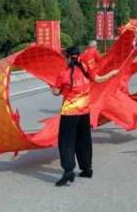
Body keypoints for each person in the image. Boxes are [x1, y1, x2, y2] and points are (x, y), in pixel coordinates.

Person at [51, 46, 119, 186]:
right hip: (84, 113)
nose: (64, 59)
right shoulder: (86, 70)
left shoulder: (63, 74)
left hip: (70, 114)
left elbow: (56, 92)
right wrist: (112, 73)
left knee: (67, 142)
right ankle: (86, 169)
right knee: (84, 140)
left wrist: (55, 88)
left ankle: (69, 171)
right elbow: (99, 79)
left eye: (65, 57)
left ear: (69, 58)